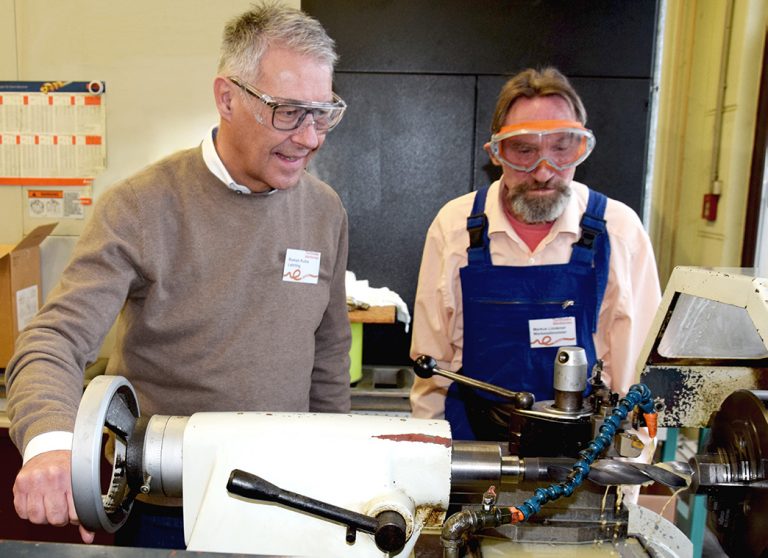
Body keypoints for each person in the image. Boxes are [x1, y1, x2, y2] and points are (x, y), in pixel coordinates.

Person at [5, 2, 351, 549]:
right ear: (227, 97)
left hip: (288, 496)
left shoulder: (325, 209)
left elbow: (329, 353)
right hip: (169, 507)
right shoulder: (141, 207)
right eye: (288, 112)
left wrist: (337, 469)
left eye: (322, 113)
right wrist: (51, 442)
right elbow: (53, 340)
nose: (310, 138)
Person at [409, 67, 661, 442]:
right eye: (524, 151)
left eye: (561, 148)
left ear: (581, 148)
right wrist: (428, 462)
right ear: (496, 153)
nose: (543, 171)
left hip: (582, 458)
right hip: (473, 447)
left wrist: (623, 483)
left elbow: (636, 379)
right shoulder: (455, 226)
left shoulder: (619, 230)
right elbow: (431, 367)